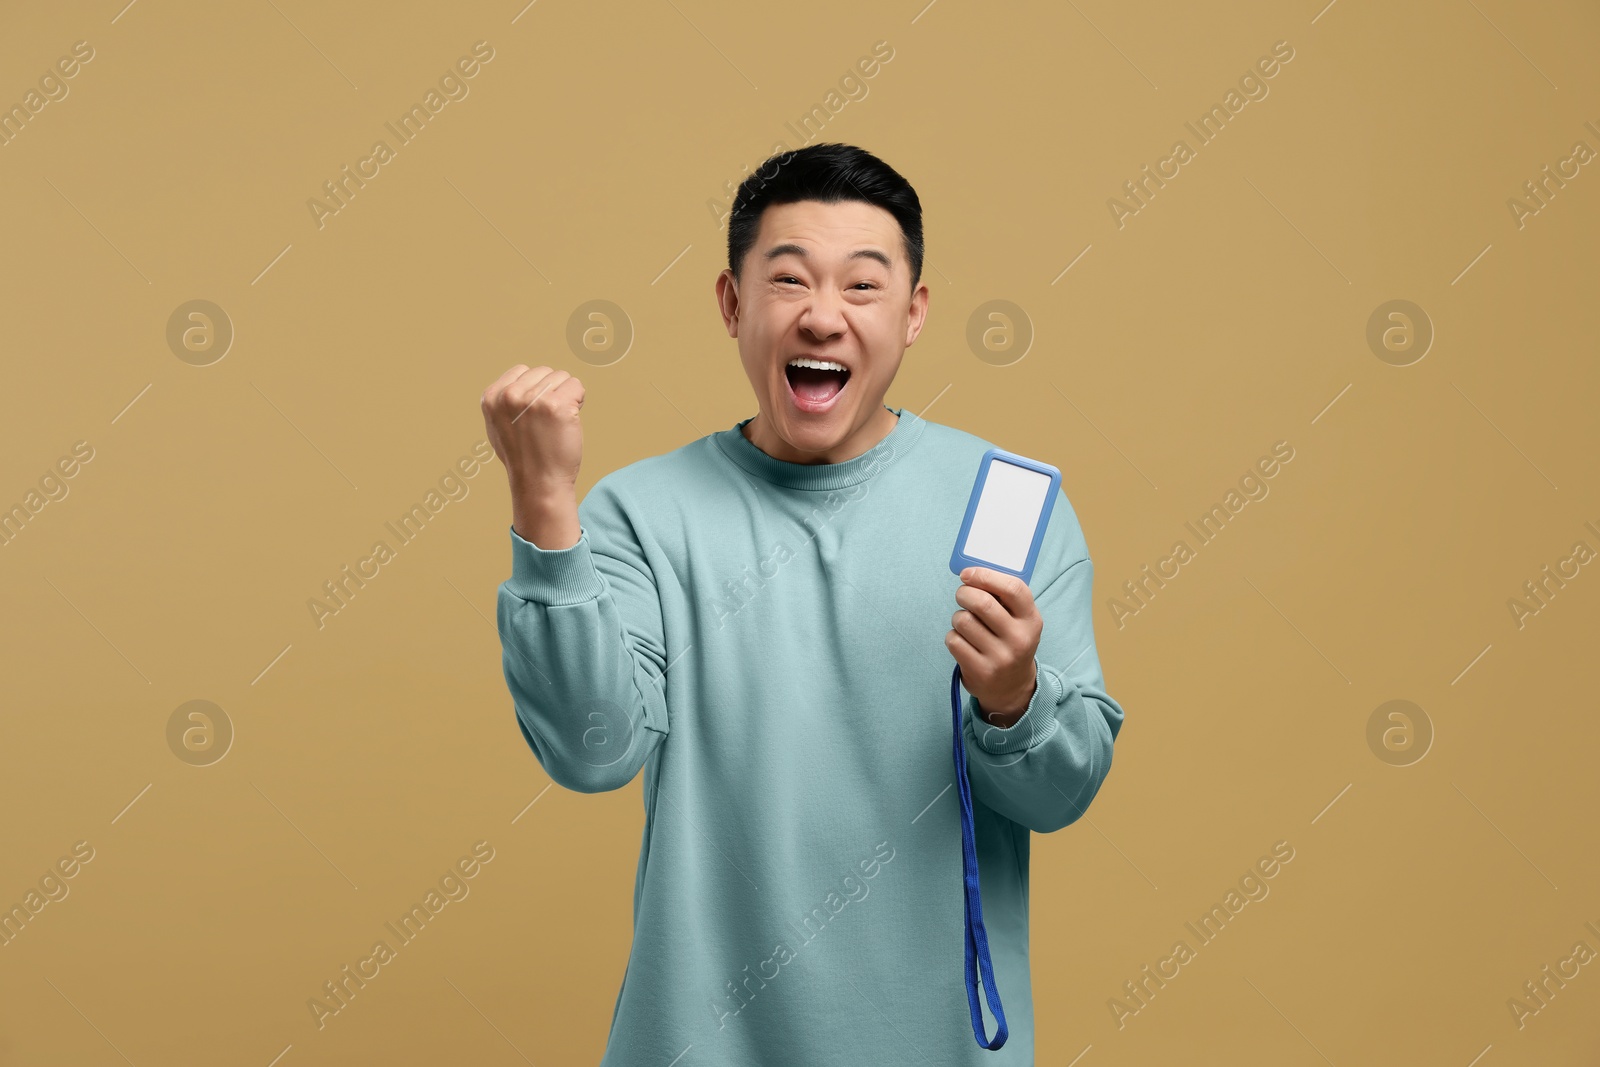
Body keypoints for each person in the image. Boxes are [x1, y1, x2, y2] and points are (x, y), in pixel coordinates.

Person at [480, 142, 1126, 1065]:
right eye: (789, 281)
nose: (823, 317)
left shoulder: (1007, 502)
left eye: (863, 287)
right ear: (733, 305)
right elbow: (594, 753)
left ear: (913, 315)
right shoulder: (642, 512)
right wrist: (544, 507)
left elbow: (1061, 795)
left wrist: (1017, 698)